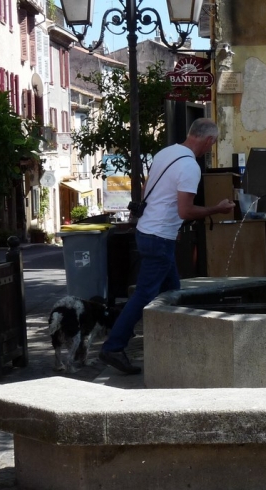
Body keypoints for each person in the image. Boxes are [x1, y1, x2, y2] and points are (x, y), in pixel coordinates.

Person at [99, 119, 235, 374]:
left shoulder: (166, 153)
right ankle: (113, 347)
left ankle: (176, 347)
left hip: (149, 231)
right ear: (207, 141)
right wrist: (217, 209)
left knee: (173, 291)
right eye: (213, 143)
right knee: (144, 295)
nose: (211, 148)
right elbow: (185, 210)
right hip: (159, 237)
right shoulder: (189, 167)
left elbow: (155, 192)